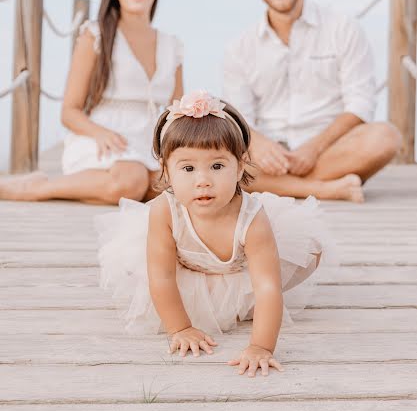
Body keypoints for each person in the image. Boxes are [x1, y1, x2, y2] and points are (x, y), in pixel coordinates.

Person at [96, 90, 333, 378]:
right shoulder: (164, 211)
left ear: (240, 167)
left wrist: (261, 347)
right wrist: (180, 328)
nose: (203, 181)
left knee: (310, 252)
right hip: (185, 274)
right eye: (188, 168)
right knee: (137, 271)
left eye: (217, 166)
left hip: (241, 271)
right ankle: (216, 307)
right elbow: (162, 277)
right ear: (166, 171)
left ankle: (242, 306)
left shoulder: (252, 218)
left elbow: (268, 286)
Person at [0, 0, 183, 204]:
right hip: (105, 137)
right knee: (131, 181)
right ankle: (40, 187)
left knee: (172, 185)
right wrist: (100, 133)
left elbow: (176, 113)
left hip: (151, 142)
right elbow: (69, 111)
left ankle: (116, 188)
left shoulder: (172, 45)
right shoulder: (95, 35)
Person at [223, 0, 402, 203]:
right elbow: (239, 116)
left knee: (385, 137)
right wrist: (259, 144)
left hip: (330, 150)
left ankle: (283, 187)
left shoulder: (343, 28)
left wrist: (314, 149)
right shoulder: (239, 48)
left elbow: (361, 103)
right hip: (269, 157)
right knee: (222, 158)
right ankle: (325, 189)